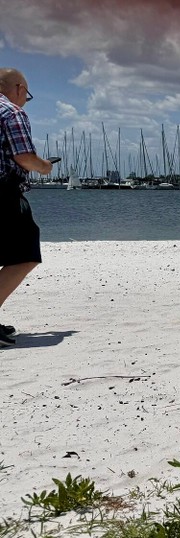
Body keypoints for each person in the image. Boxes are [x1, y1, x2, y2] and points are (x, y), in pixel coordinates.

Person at [0, 68, 54, 348]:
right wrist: (44, 166)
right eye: (27, 96)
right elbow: (23, 157)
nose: (25, 102)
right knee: (25, 253)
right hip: (3, 193)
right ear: (19, 88)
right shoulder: (12, 112)